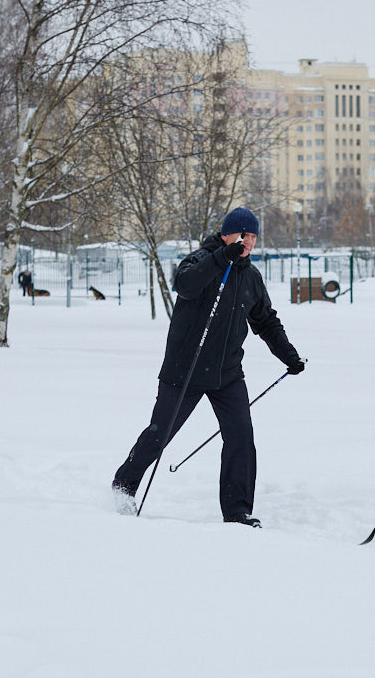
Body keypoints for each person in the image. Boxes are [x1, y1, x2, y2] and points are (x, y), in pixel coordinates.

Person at [112, 207, 306, 526]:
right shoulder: (201, 260)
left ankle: (237, 511)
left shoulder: (251, 277)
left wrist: (289, 355)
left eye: (254, 236)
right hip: (183, 371)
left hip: (227, 375)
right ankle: (122, 489)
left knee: (241, 438)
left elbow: (266, 321)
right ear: (227, 234)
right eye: (243, 235)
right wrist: (221, 258)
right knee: (158, 436)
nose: (249, 242)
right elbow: (185, 284)